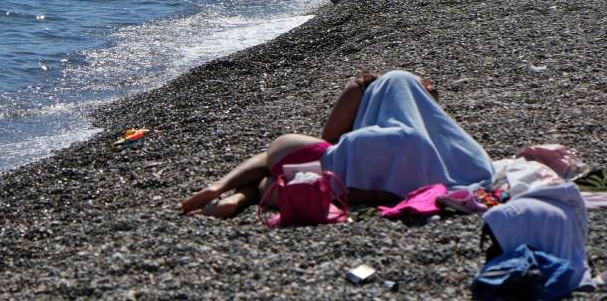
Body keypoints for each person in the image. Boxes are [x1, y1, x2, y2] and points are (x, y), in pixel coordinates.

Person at [180, 71, 493, 218]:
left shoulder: (366, 87)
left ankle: (223, 188)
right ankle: (236, 198)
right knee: (272, 182)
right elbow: (384, 193)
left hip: (304, 154)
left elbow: (329, 139)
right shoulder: (438, 153)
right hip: (328, 180)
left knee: (272, 165)